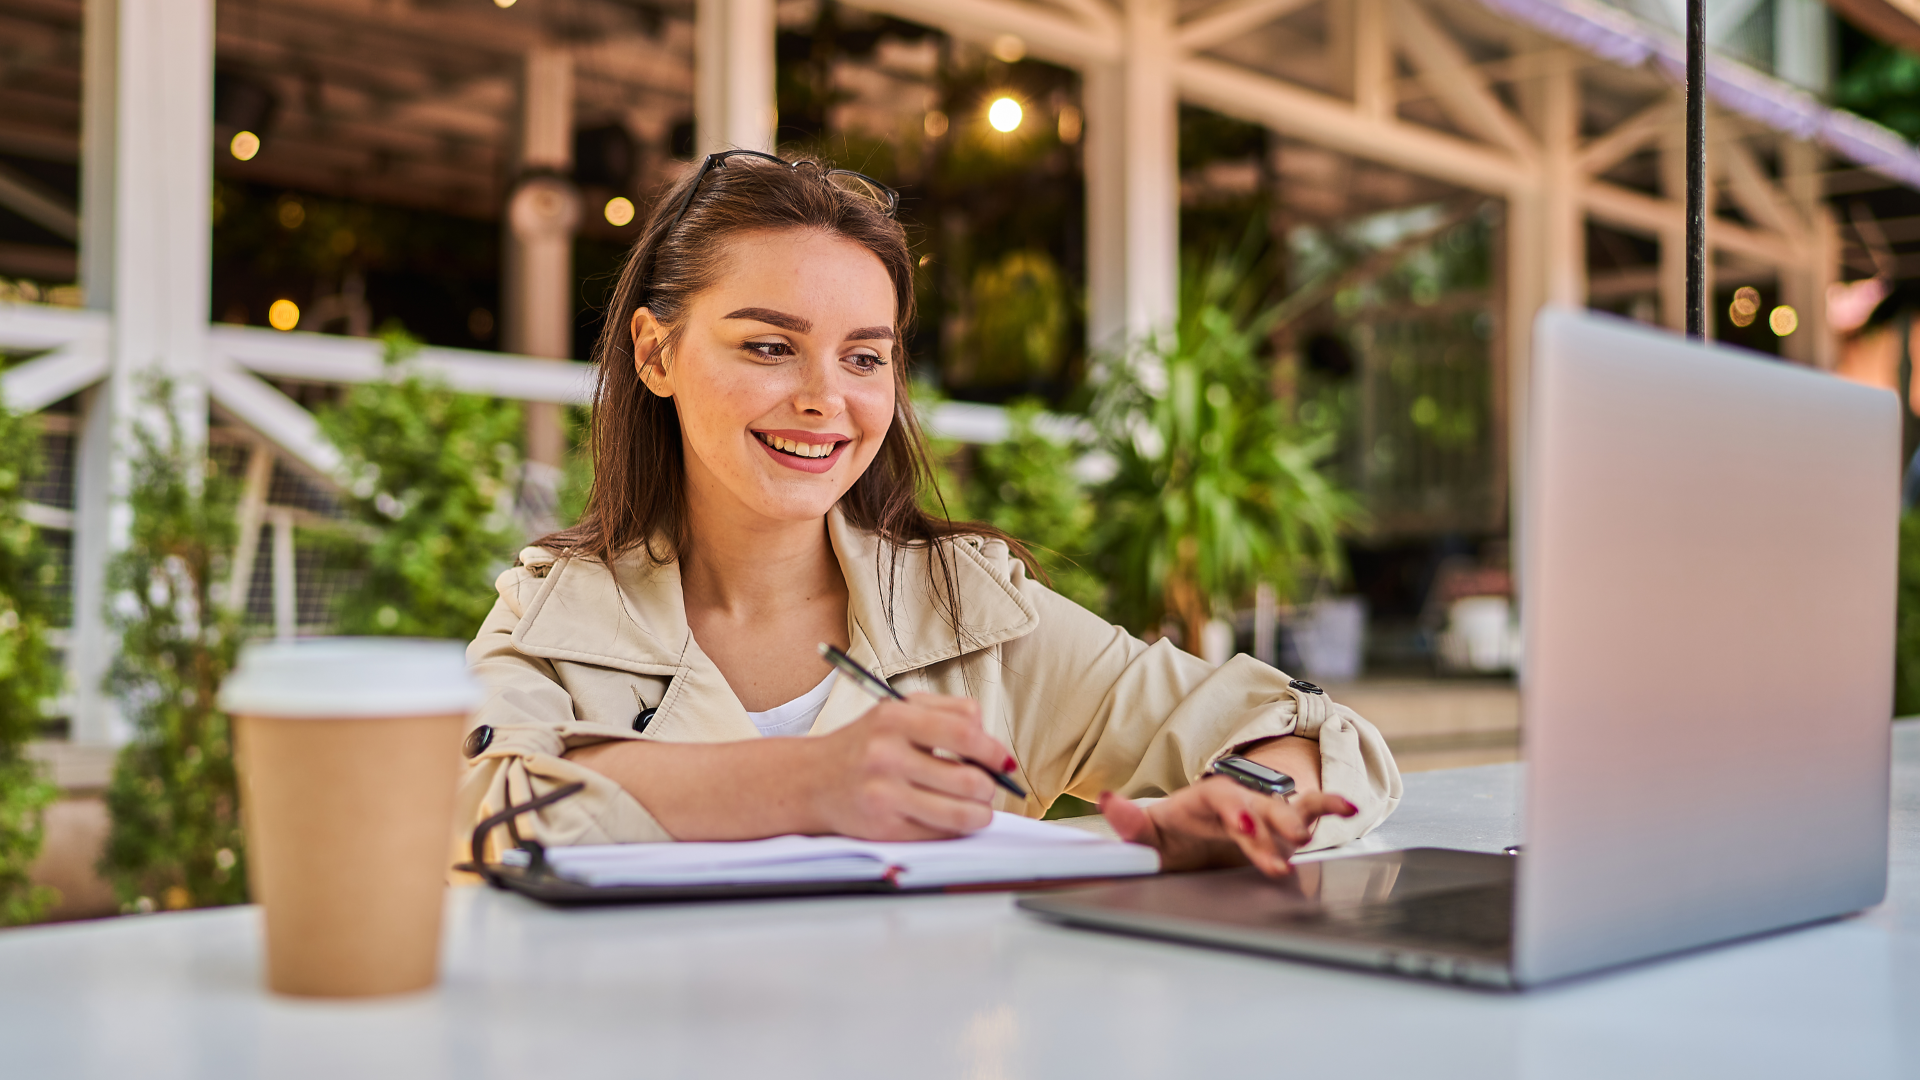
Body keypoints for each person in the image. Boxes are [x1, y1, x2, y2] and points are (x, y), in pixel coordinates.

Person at [458, 151, 1401, 876]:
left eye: (866, 358)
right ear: (656, 354)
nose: (826, 398)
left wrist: (1241, 803)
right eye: (769, 346)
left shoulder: (967, 612)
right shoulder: (558, 615)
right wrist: (813, 782)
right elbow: (477, 813)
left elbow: (1308, 729)